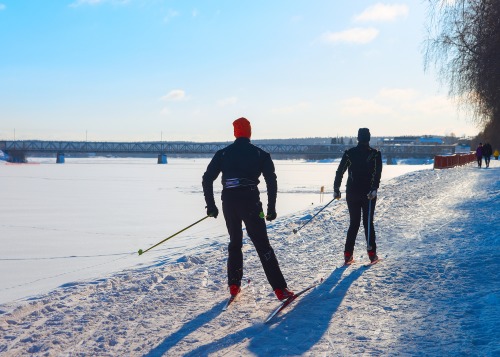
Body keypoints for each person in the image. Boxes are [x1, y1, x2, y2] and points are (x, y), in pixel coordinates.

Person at [202, 117, 293, 301]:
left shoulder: (223, 154)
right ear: (249, 132)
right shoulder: (260, 154)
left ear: (235, 132)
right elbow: (271, 182)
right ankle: (280, 290)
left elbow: (207, 179)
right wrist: (271, 208)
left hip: (228, 202)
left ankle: (234, 285)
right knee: (262, 244)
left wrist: (211, 206)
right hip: (251, 202)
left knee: (235, 242)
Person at [333, 128, 382, 264]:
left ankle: (348, 255)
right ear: (369, 138)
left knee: (354, 223)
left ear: (358, 138)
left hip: (352, 193)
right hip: (369, 195)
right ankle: (372, 254)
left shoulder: (349, 153)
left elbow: (340, 172)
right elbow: (377, 174)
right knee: (368, 223)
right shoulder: (375, 154)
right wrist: (374, 189)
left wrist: (336, 189)